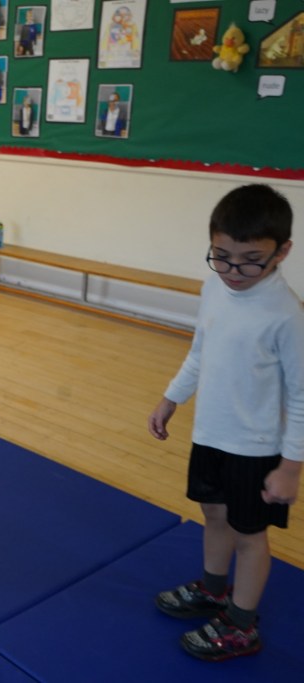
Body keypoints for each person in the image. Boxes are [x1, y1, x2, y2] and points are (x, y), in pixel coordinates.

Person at [148, 184, 303, 662]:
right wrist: (171, 398)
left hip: (255, 448)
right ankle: (215, 590)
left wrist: (291, 468)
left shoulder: (286, 316)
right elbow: (200, 350)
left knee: (249, 536)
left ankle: (241, 625)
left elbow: (302, 398)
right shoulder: (214, 286)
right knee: (213, 515)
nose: (234, 271)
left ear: (283, 252)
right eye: (222, 256)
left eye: (251, 260)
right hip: (211, 435)